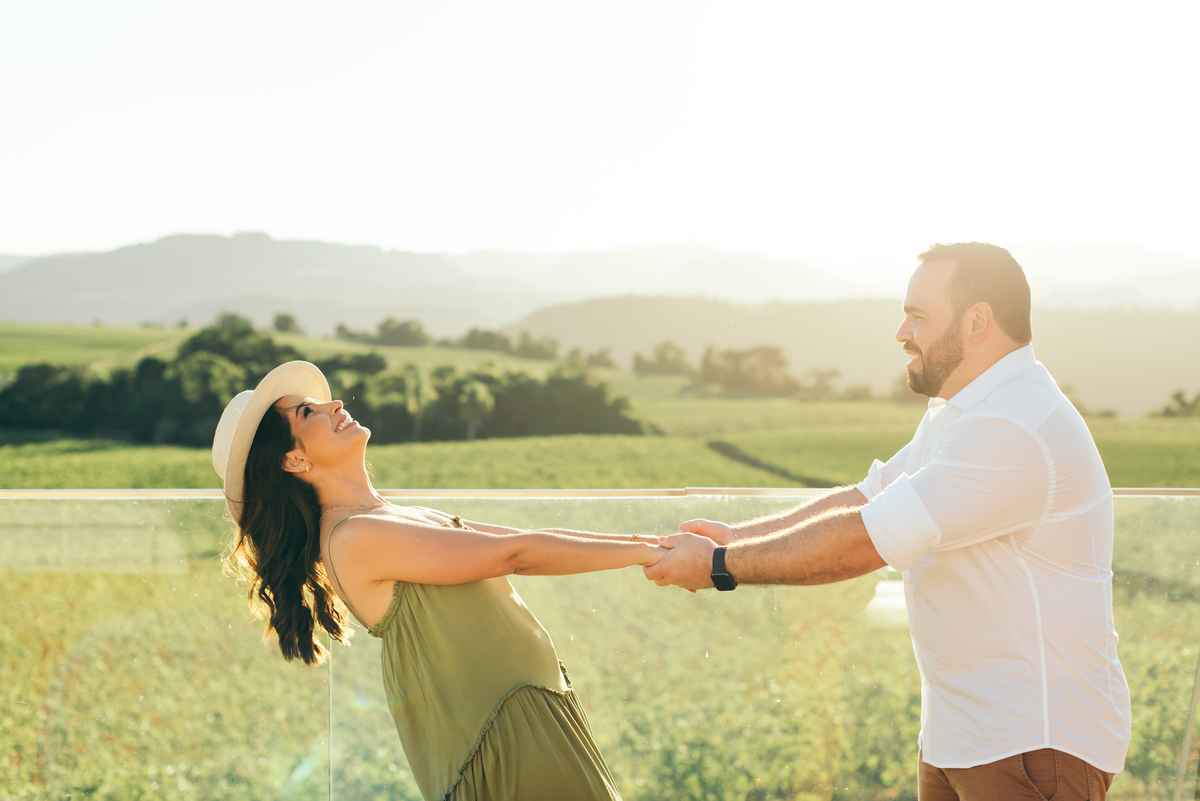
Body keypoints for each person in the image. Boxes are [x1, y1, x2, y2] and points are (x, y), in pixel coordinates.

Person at [645, 242, 1131, 800]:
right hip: (967, 736)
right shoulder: (964, 410)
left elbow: (865, 541)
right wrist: (738, 536)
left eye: (919, 316)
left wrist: (721, 566)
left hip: (1031, 745)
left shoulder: (1012, 427)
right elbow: (865, 497)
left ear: (978, 321)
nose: (902, 332)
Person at [212, 360, 664, 801]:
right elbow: (516, 555)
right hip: (506, 745)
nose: (334, 406)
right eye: (307, 412)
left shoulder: (391, 516)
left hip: (537, 715)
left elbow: (524, 542)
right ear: (293, 459)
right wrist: (647, 553)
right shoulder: (354, 536)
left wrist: (650, 543)